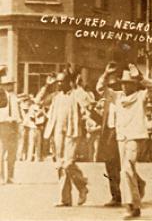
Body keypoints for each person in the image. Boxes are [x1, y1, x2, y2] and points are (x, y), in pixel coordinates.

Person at [97, 63, 152, 219]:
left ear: (134, 85)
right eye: (122, 84)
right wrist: (105, 74)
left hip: (135, 137)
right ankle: (137, 195)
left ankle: (132, 206)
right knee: (126, 170)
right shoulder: (117, 96)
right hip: (121, 137)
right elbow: (100, 89)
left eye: (128, 84)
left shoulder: (140, 96)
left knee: (126, 170)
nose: (124, 87)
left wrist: (141, 77)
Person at [44, 72, 88, 207]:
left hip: (72, 132)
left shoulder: (76, 94)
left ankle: (82, 186)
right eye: (57, 82)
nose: (59, 84)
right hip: (57, 132)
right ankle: (65, 199)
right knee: (60, 166)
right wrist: (47, 85)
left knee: (68, 163)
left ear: (69, 82)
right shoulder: (56, 97)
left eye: (61, 81)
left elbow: (88, 103)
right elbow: (41, 102)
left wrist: (78, 86)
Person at [96, 73, 122, 207]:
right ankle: (116, 196)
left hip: (120, 134)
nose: (112, 88)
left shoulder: (123, 98)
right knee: (111, 166)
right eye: (110, 86)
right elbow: (99, 87)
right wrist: (105, 74)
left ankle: (138, 185)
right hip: (108, 134)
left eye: (114, 85)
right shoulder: (107, 100)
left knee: (124, 166)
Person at [0, 76, 22, 184]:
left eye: (12, 84)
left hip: (13, 126)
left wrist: (18, 123)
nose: (11, 86)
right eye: (8, 84)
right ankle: (1, 177)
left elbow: (17, 112)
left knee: (12, 153)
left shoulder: (14, 97)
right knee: (1, 152)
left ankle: (10, 176)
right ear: (2, 85)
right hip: (2, 125)